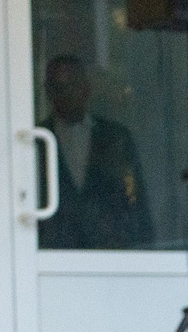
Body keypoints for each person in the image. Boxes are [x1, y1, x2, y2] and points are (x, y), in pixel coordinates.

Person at [36, 55, 153, 250]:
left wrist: (144, 248)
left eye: (72, 85)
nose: (66, 94)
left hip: (108, 252)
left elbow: (135, 197)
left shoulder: (116, 137)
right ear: (49, 92)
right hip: (53, 253)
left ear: (86, 89)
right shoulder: (37, 139)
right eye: (58, 87)